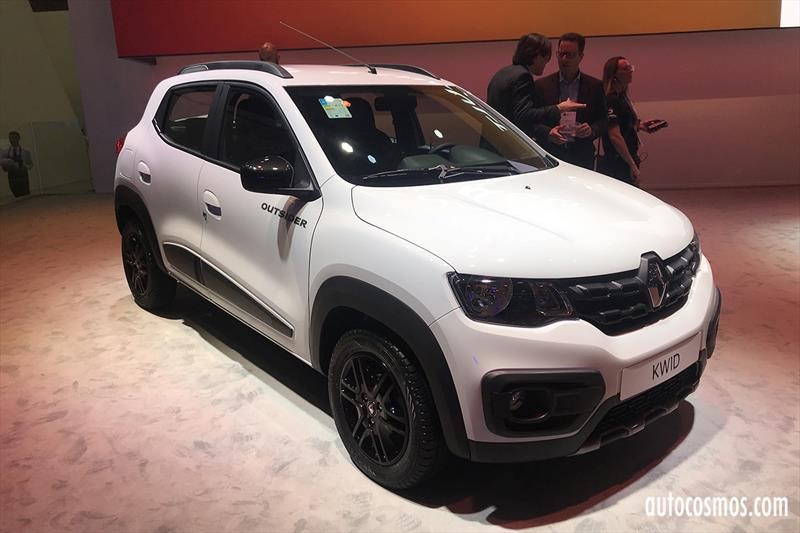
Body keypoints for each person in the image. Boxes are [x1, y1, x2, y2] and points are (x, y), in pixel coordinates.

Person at [487, 33, 584, 145]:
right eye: (546, 58)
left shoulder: (503, 73)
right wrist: (559, 108)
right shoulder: (523, 76)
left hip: (493, 140)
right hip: (507, 144)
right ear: (537, 56)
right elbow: (523, 115)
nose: (546, 63)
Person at [534, 32, 607, 169]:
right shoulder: (541, 85)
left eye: (570, 55)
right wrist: (548, 132)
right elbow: (532, 121)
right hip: (550, 154)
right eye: (561, 54)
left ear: (581, 57)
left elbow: (604, 120)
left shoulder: (595, 86)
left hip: (582, 155)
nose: (564, 59)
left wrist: (591, 130)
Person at [1, 131, 33, 198]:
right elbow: (3, 166)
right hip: (12, 177)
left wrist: (25, 167)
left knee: (25, 195)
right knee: (16, 195)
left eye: (14, 138)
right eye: (10, 138)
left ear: (18, 138)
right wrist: (7, 166)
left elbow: (30, 164)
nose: (12, 140)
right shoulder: (5, 152)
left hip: (22, 176)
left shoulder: (25, 151)